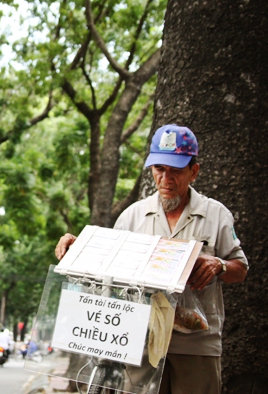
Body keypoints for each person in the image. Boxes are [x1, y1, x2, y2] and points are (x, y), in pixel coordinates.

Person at [55, 124, 248, 394]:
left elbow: (240, 269)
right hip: (139, 343)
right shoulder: (132, 216)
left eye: (176, 171)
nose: (166, 179)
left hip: (196, 346)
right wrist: (80, 247)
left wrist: (220, 265)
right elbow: (109, 270)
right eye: (160, 169)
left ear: (194, 171)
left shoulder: (216, 215)